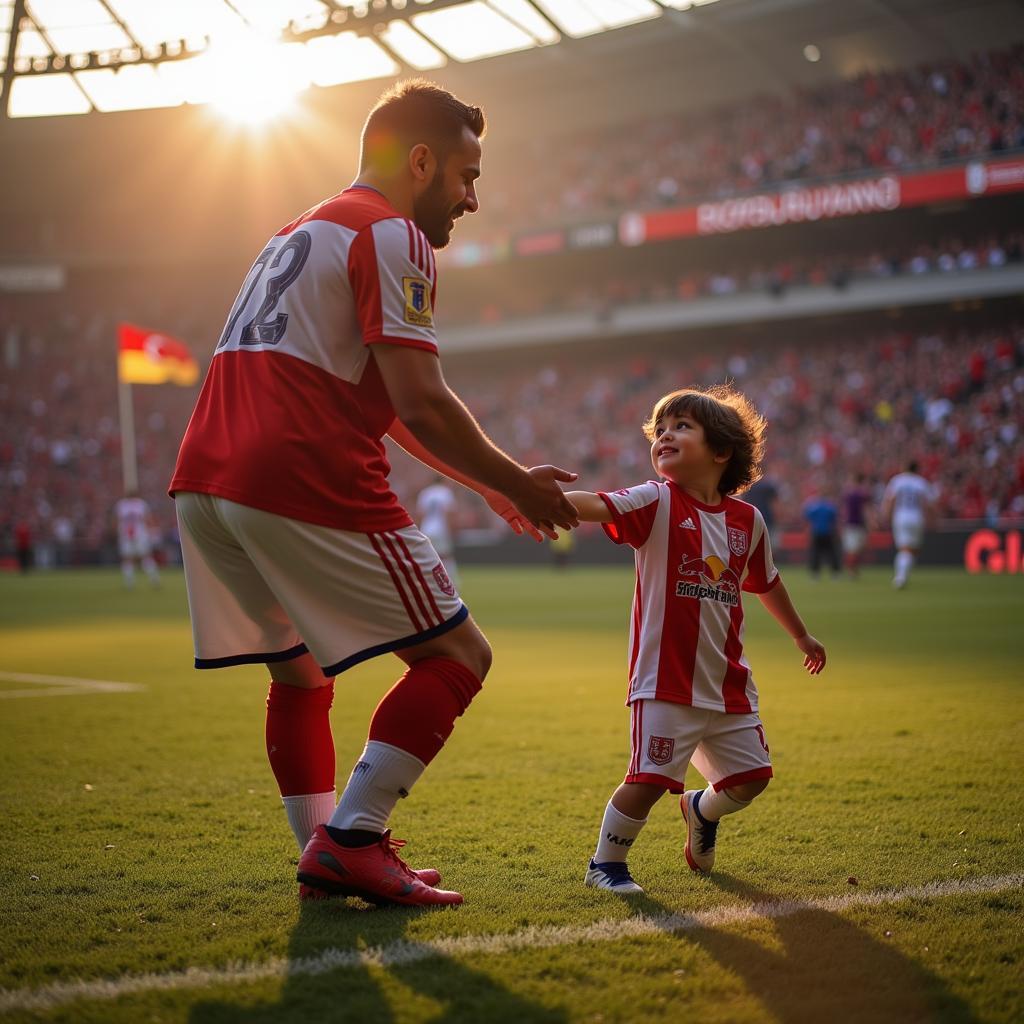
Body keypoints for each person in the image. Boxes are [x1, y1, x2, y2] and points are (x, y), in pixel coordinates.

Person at [169, 80, 579, 908]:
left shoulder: (298, 230)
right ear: (418, 160)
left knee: (301, 680)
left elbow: (378, 398)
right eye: (465, 175)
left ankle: (324, 852)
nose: (472, 198)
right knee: (459, 655)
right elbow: (422, 399)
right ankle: (352, 839)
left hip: (205, 480)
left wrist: (483, 487)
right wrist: (517, 484)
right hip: (301, 475)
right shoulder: (394, 234)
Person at [563, 385, 825, 893]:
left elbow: (766, 582)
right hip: (665, 680)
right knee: (647, 781)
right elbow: (596, 505)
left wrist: (802, 635)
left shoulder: (748, 521)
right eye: (659, 429)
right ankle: (606, 866)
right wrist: (535, 498)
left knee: (751, 779)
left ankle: (700, 810)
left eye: (681, 426)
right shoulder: (657, 498)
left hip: (727, 683)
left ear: (721, 451)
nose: (664, 435)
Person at [881, 460, 936, 589]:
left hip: (900, 517)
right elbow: (928, 503)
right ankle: (901, 576)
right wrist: (932, 519)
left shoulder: (897, 481)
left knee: (906, 549)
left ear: (904, 467)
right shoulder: (920, 482)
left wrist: (886, 516)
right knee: (910, 549)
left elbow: (890, 500)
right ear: (917, 469)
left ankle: (901, 575)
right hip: (916, 518)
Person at [416, 475, 459, 587]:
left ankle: (428, 582)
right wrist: (451, 531)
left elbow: (420, 514)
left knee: (428, 557)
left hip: (426, 529)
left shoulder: (425, 493)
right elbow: (448, 513)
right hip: (441, 530)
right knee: (446, 556)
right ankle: (451, 583)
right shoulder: (445, 492)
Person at [114, 491, 160, 589]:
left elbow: (117, 520)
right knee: (136, 557)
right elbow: (147, 519)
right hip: (132, 535)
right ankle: (151, 579)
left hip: (135, 535)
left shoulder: (132, 504)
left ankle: (133, 582)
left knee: (134, 558)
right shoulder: (127, 504)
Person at [802, 491, 840, 579]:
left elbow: (807, 517)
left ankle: (815, 573)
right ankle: (835, 573)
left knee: (816, 553)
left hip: (817, 532)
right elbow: (835, 519)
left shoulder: (814, 507)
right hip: (828, 532)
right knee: (831, 553)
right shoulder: (830, 507)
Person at [840, 474, 872, 578]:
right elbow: (866, 510)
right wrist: (870, 522)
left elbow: (844, 511)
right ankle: (851, 571)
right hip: (857, 524)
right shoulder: (862, 494)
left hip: (850, 524)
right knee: (855, 549)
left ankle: (852, 569)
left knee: (854, 549)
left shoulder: (848, 494)